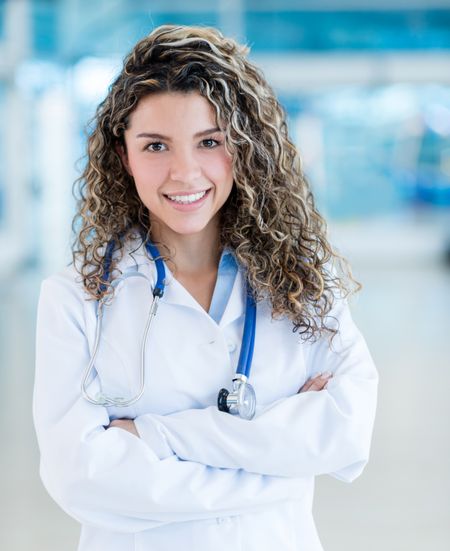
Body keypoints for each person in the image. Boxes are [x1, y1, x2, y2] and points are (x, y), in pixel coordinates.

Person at [33, 24, 378, 551]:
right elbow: (82, 478)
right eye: (155, 145)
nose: (184, 172)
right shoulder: (76, 300)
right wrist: (277, 464)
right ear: (123, 156)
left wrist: (154, 435)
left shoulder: (305, 283)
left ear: (242, 149)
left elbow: (346, 432)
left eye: (210, 141)